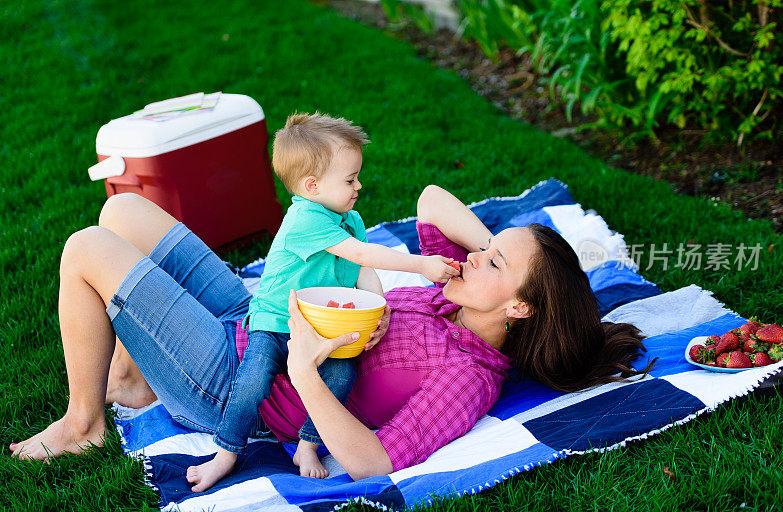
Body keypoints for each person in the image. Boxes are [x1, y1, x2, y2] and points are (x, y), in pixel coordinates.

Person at [9, 183, 654, 484]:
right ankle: (129, 377)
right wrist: (494, 255)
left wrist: (306, 375)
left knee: (87, 247)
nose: (474, 256)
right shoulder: (448, 290)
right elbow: (430, 201)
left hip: (239, 382)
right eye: (484, 250)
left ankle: (85, 423)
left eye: (493, 264)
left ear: (518, 311)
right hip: (253, 318)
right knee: (121, 210)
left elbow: (377, 459)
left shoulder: (469, 378)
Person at [193, 112, 458, 488]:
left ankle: (307, 443)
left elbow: (363, 271)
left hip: (322, 326)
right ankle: (227, 451)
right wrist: (420, 264)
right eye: (350, 179)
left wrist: (376, 310)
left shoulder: (347, 218)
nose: (359, 186)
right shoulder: (305, 218)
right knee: (253, 379)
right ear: (312, 186)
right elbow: (365, 256)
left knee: (342, 374)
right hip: (275, 322)